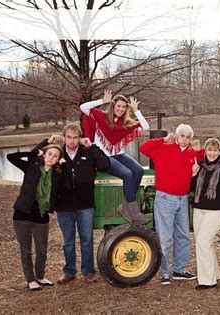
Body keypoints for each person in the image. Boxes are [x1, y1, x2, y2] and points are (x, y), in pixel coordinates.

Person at [139, 124, 204, 285]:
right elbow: (143, 148)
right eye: (182, 136)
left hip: (182, 199)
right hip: (166, 199)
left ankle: (179, 270)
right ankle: (165, 272)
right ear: (176, 135)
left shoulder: (191, 153)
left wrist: (199, 152)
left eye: (188, 137)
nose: (185, 139)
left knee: (183, 236)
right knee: (165, 238)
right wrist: (163, 139)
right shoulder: (163, 148)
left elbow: (201, 159)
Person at [46, 123, 111, 284]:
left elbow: (105, 164)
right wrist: (46, 142)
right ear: (64, 137)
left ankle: (88, 272)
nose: (72, 141)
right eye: (69, 137)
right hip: (64, 206)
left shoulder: (87, 152)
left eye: (76, 138)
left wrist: (93, 147)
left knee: (86, 240)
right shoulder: (57, 155)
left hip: (85, 205)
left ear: (80, 138)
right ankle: (69, 272)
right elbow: (37, 159)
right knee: (68, 241)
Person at [80, 90, 150, 224]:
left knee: (139, 171)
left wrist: (136, 110)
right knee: (128, 174)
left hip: (118, 154)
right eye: (118, 106)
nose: (121, 109)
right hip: (102, 157)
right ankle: (134, 211)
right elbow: (83, 107)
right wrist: (102, 102)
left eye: (124, 107)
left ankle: (126, 206)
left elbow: (145, 127)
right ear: (113, 106)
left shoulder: (125, 124)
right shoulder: (101, 116)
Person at [7, 142, 63, 291]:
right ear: (44, 155)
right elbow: (11, 157)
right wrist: (34, 152)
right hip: (22, 213)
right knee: (26, 250)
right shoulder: (31, 167)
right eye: (49, 154)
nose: (51, 158)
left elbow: (70, 183)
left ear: (58, 160)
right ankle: (30, 280)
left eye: (55, 156)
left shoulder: (58, 174)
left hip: (42, 215)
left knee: (42, 250)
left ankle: (40, 276)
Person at [191, 138, 220, 290]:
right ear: (205, 151)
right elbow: (193, 188)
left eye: (215, 150)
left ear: (219, 151)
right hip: (200, 208)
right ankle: (214, 273)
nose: (212, 153)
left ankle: (207, 281)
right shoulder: (200, 166)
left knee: (203, 241)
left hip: (218, 209)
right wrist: (193, 174)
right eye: (209, 150)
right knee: (206, 242)